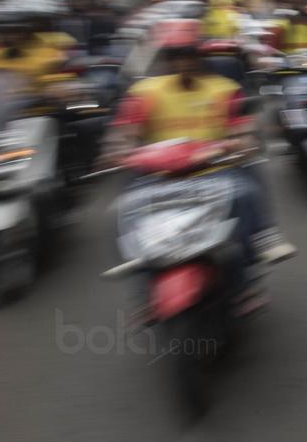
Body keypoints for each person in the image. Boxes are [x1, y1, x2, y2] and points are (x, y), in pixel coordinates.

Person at [102, 19, 296, 275]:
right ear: (167, 59)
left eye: (188, 54)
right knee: (122, 206)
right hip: (159, 176)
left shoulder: (225, 89)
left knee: (248, 189)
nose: (183, 62)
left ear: (200, 55)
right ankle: (139, 263)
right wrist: (119, 150)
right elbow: (125, 133)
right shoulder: (145, 92)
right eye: (176, 55)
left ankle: (261, 237)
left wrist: (240, 143)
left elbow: (242, 130)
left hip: (214, 170)